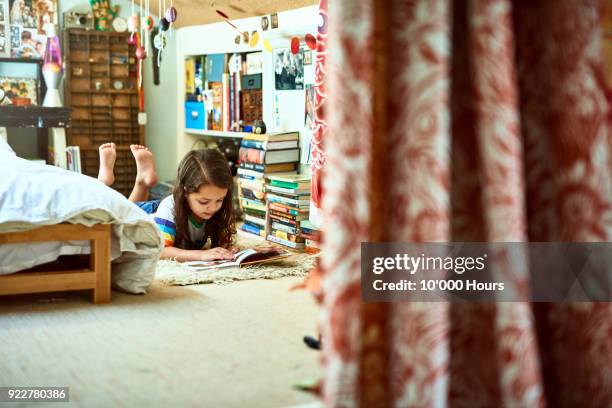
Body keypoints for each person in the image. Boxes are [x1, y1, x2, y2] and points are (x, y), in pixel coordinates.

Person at [97, 143, 237, 262]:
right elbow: (161, 250)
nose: (213, 207)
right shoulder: (170, 208)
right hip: (145, 219)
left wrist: (229, 251)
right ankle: (103, 182)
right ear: (186, 192)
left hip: (155, 211)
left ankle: (143, 178)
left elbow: (223, 243)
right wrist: (200, 255)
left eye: (219, 200)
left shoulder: (218, 209)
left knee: (130, 209)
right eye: (204, 201)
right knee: (111, 218)